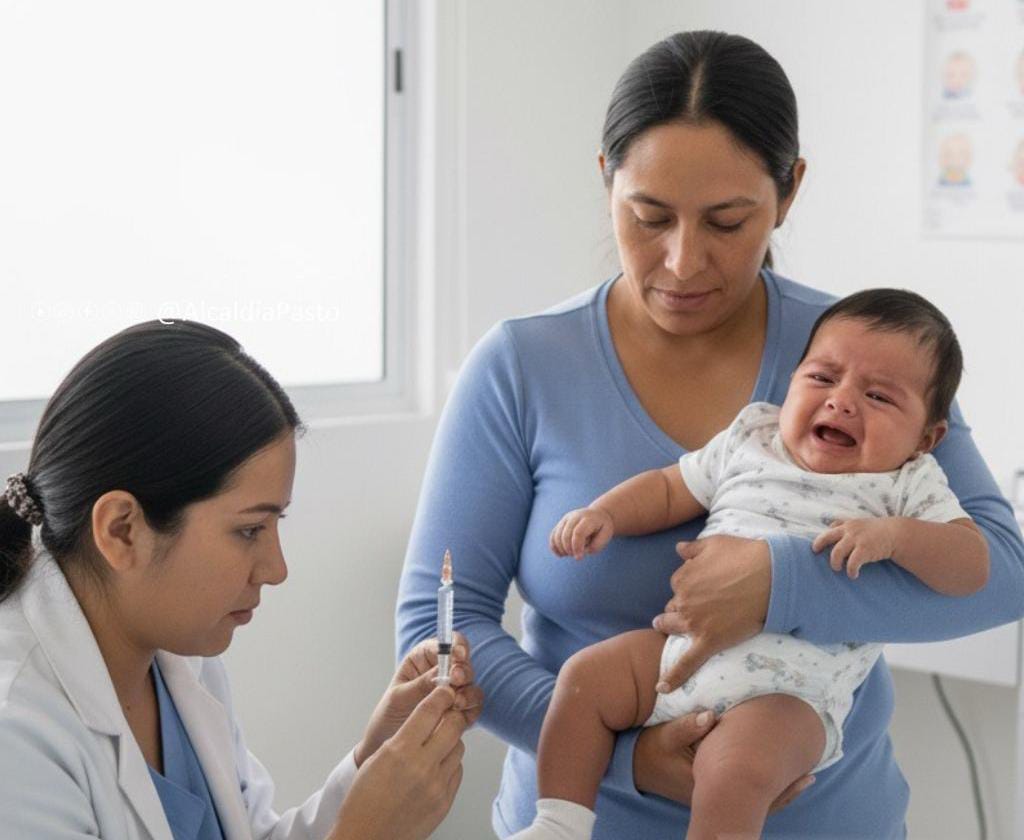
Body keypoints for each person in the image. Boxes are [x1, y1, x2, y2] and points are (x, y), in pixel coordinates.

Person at [395, 30, 1024, 838]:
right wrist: (629, 756)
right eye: (648, 216)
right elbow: (440, 626)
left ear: (789, 193)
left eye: (727, 222)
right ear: (604, 180)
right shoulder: (522, 366)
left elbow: (1002, 574)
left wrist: (779, 583)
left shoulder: (858, 358)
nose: (683, 262)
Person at [511, 289, 988, 840]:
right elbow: (671, 489)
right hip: (675, 656)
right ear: (791, 383)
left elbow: (973, 566)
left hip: (787, 696)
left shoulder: (907, 485)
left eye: (879, 396)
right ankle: (559, 823)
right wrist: (606, 514)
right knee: (584, 677)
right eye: (822, 378)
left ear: (926, 438)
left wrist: (899, 538)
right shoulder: (752, 436)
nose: (842, 401)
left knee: (734, 774)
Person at [0, 320, 483, 840]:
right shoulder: (18, 733)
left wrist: (373, 761)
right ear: (122, 530)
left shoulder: (182, 663)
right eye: (250, 529)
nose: (277, 569)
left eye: (277, 524)